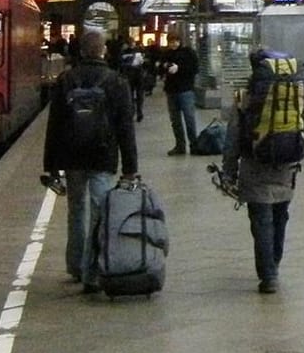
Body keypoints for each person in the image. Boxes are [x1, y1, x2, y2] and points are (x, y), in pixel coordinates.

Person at [41, 29, 139, 294]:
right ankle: (93, 270)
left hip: (72, 156)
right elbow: (125, 128)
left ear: (81, 51)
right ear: (103, 50)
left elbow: (55, 125)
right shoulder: (116, 82)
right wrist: (130, 168)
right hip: (102, 156)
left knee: (76, 211)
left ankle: (75, 265)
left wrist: (50, 165)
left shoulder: (66, 79)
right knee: (100, 212)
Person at [223, 66, 301, 294]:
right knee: (280, 218)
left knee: (262, 222)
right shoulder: (291, 97)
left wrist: (229, 172)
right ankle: (273, 263)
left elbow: (232, 140)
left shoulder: (244, 100)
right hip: (285, 169)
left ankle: (269, 276)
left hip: (254, 168)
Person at [162, 29, 200, 156]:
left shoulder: (188, 53)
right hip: (171, 90)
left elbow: (195, 68)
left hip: (185, 90)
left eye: (175, 41)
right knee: (175, 120)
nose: (173, 44)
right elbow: (161, 68)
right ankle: (180, 145)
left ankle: (194, 145)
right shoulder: (167, 54)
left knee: (189, 118)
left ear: (179, 41)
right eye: (171, 42)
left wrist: (179, 69)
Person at [118, 38, 146, 121]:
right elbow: (121, 64)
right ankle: (135, 111)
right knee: (133, 94)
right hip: (132, 74)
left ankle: (138, 111)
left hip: (136, 74)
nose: (132, 44)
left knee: (137, 94)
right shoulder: (124, 52)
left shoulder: (137, 51)